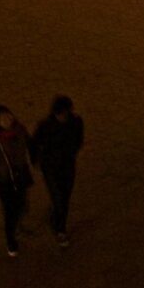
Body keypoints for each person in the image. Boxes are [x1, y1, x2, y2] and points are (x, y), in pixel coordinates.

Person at [31, 94, 84, 245]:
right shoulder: (45, 125)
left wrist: (69, 152)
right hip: (51, 168)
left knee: (65, 198)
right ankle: (60, 230)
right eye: (59, 113)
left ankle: (58, 221)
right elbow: (34, 143)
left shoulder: (76, 123)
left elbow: (79, 141)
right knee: (58, 199)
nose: (61, 116)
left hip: (67, 166)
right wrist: (37, 161)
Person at [0, 105, 35, 257]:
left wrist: (36, 158)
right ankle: (10, 241)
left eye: (8, 115)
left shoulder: (20, 130)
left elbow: (31, 145)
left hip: (20, 177)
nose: (7, 119)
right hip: (4, 181)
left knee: (22, 205)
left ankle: (17, 225)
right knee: (9, 211)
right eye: (2, 118)